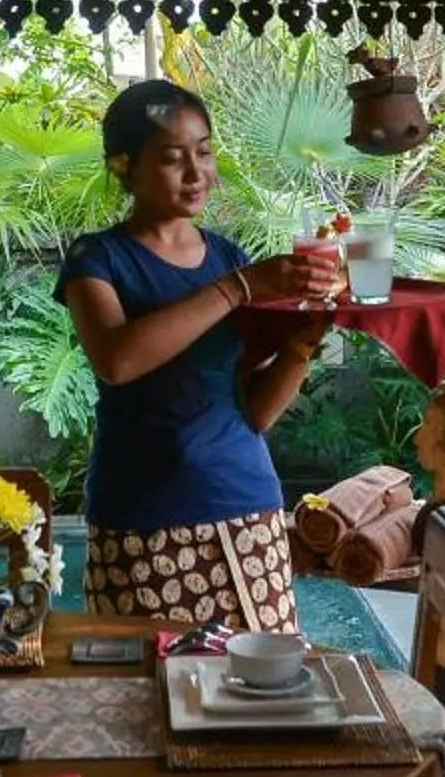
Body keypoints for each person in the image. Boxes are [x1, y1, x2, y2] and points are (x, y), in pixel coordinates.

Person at [55, 82, 348, 630]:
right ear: (123, 167)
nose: (196, 172)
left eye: (204, 152)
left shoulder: (227, 256)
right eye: (172, 158)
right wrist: (238, 288)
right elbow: (116, 361)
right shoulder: (97, 259)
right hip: (141, 521)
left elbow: (256, 411)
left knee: (266, 680)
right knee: (150, 682)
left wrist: (308, 336)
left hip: (247, 508)